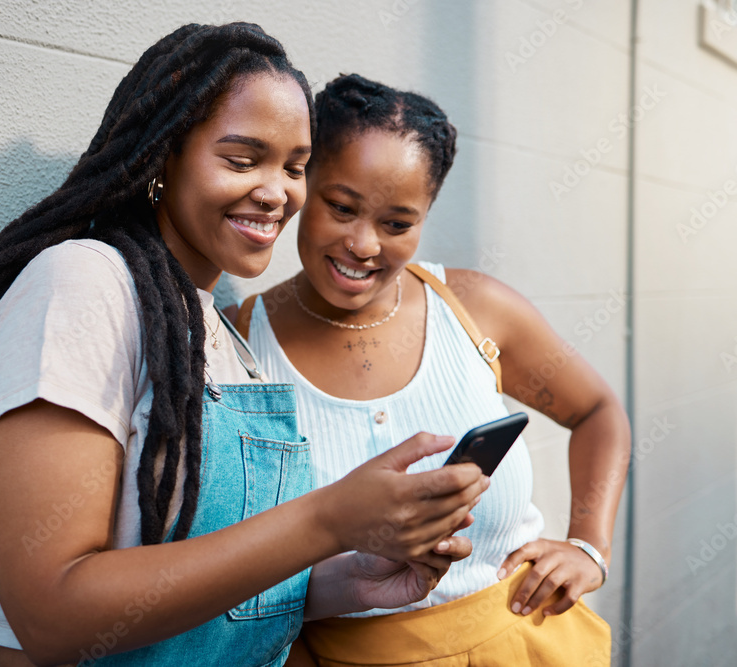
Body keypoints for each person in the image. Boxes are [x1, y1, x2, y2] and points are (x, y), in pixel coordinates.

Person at [0, 27, 490, 667]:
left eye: (295, 167)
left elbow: (211, 588)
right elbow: (49, 613)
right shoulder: (83, 286)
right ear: (163, 157)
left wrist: (352, 578)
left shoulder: (219, 333)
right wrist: (328, 519)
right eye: (242, 160)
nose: (277, 193)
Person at [235, 73, 632, 665]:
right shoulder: (239, 345)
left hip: (524, 644)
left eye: (398, 224)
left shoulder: (475, 308)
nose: (364, 244)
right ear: (302, 183)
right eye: (342, 208)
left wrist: (588, 547)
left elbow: (598, 412)